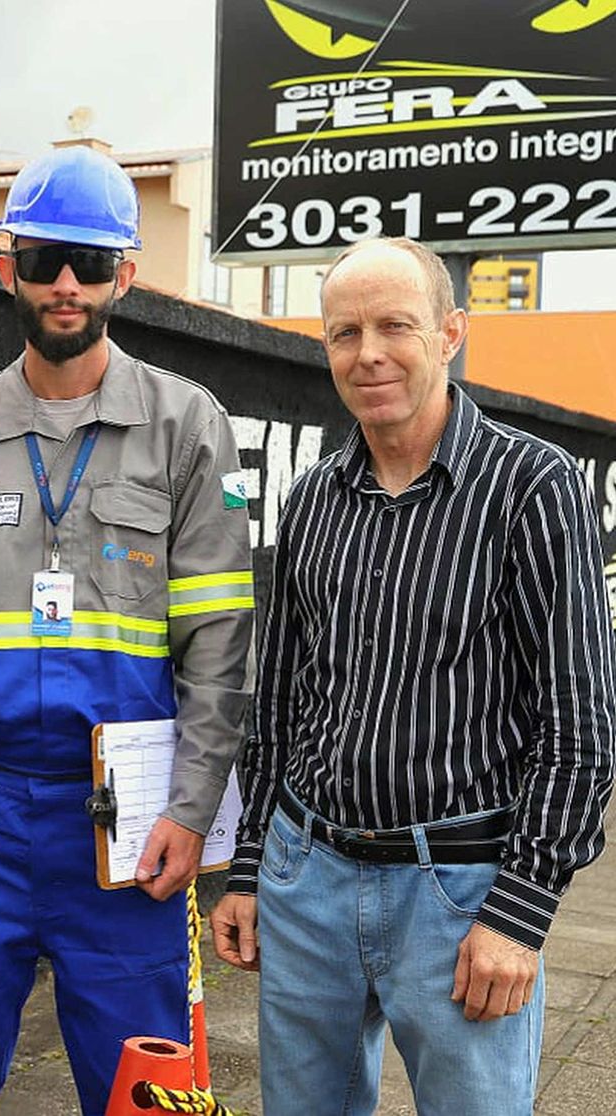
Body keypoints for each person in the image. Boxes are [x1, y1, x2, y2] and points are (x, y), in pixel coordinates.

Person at [0, 145, 254, 1114]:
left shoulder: (186, 423)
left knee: (143, 1091)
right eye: (45, 259)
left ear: (126, 272)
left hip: (128, 821)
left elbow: (220, 649)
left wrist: (192, 807)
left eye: (91, 262)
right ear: (10, 268)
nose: (68, 283)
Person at [212, 237, 616, 1114]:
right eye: (343, 332)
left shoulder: (530, 486)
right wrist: (249, 869)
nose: (368, 354)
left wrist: (520, 911)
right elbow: (279, 700)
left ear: (449, 332)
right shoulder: (314, 497)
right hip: (305, 876)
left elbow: (579, 727)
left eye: (395, 325)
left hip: (459, 892)